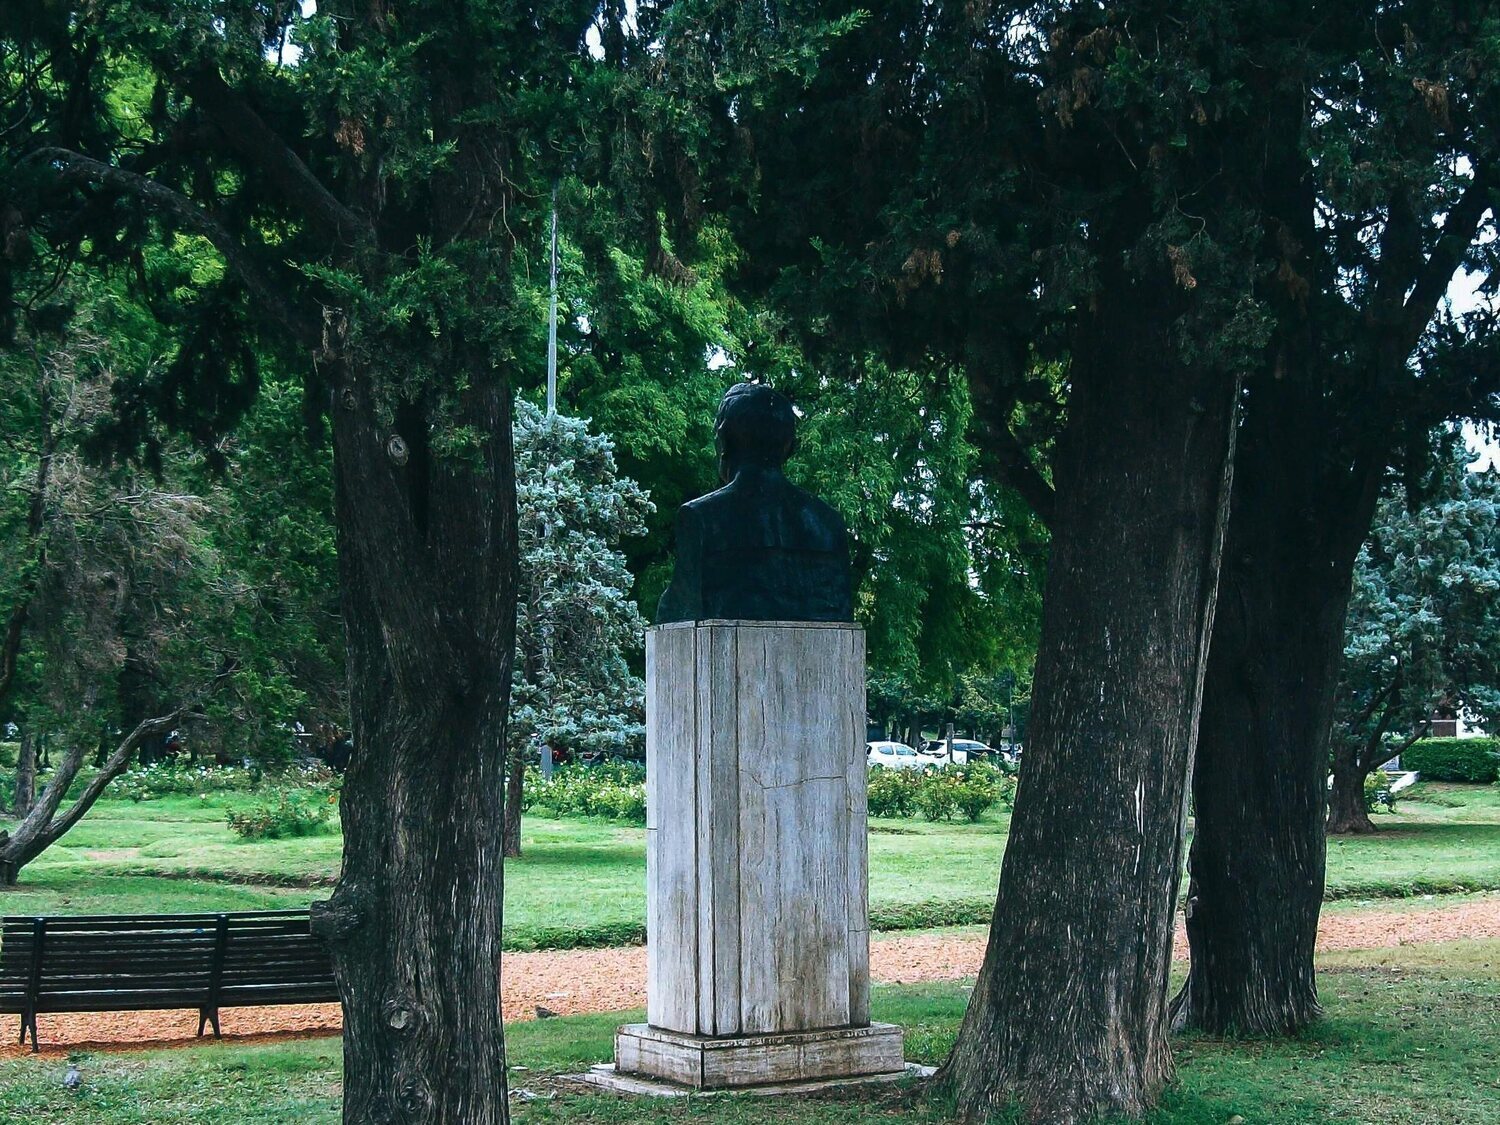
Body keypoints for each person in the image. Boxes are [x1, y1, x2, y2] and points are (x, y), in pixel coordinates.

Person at [656, 383, 853, 624]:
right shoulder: (829, 523)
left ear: (725, 441)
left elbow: (676, 613)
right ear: (789, 446)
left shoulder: (700, 517)